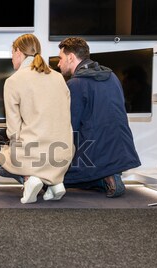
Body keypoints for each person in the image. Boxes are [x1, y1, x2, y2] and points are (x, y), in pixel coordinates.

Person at [57, 37, 141, 198]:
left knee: (48, 178)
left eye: (60, 58)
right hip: (120, 152)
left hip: (94, 155)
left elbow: (69, 128)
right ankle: (107, 176)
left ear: (71, 57)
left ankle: (103, 177)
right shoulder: (112, 77)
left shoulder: (75, 84)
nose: (58, 63)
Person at [0, 34, 74, 204]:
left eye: (12, 54)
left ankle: (29, 179)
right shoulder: (58, 77)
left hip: (35, 154)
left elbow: (13, 129)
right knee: (39, 150)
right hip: (63, 153)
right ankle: (55, 184)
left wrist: (12, 150)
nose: (12, 59)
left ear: (18, 52)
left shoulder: (13, 81)